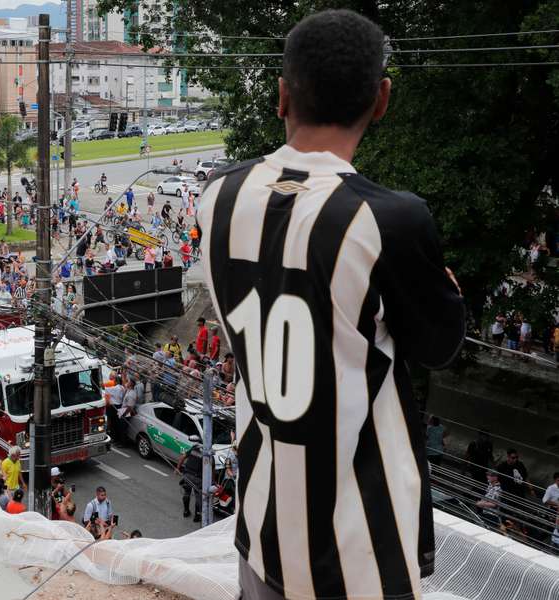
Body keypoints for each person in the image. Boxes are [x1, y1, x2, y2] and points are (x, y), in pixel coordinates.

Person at [198, 11, 465, 599]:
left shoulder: (217, 194)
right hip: (364, 554)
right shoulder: (391, 219)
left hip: (262, 533)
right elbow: (439, 345)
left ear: (281, 96)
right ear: (382, 100)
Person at [176, 442, 203, 522]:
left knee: (186, 493)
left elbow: (182, 457)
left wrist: (178, 468)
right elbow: (212, 469)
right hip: (198, 479)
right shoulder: (208, 453)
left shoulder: (193, 448)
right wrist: (212, 482)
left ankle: (186, 511)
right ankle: (197, 516)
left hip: (187, 475)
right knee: (198, 497)